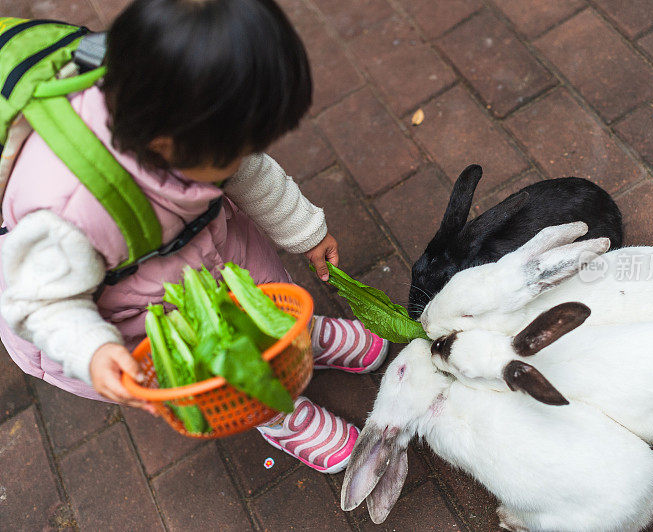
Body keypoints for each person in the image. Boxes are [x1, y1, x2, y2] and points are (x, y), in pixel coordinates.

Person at [0, 0, 387, 474]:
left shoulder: (190, 123)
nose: (248, 157)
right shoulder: (68, 208)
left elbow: (251, 173)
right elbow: (41, 303)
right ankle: (274, 410)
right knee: (222, 370)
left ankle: (295, 338)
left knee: (266, 297)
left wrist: (304, 230)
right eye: (237, 151)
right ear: (167, 148)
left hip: (213, 249)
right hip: (139, 312)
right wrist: (93, 350)